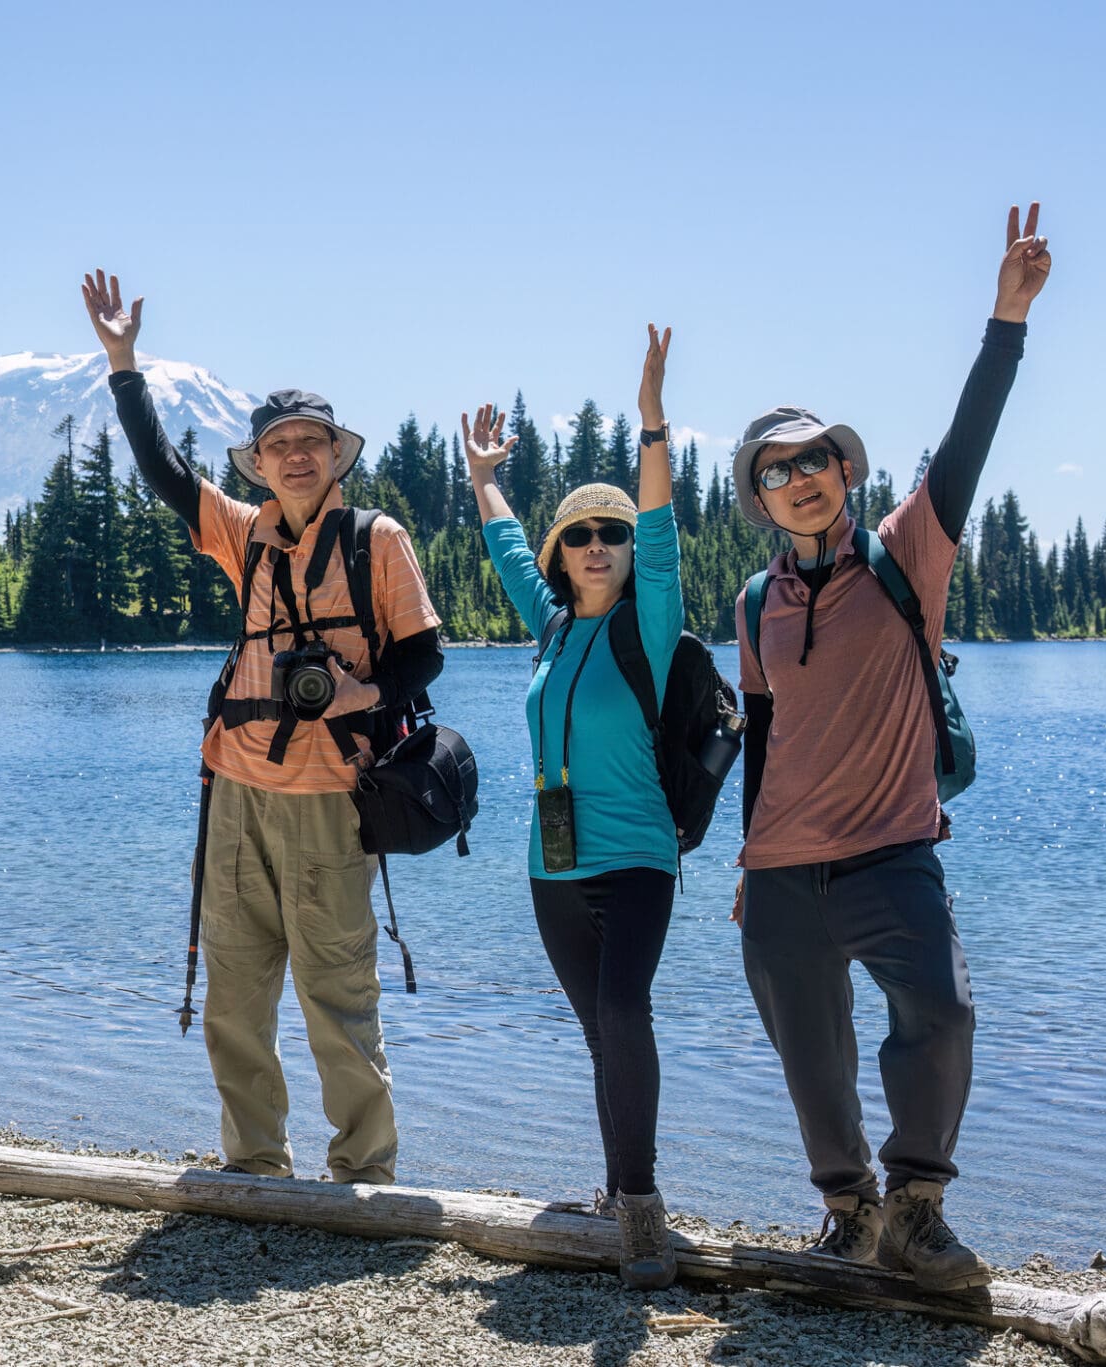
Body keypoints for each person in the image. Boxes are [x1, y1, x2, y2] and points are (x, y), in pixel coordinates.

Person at [730, 204, 1053, 1291]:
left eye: (816, 457)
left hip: (891, 849)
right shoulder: (751, 602)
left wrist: (1003, 320)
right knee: (807, 1054)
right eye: (778, 469)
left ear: (844, 469)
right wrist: (743, 863)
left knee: (943, 1009)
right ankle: (847, 1209)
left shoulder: (907, 552)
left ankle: (917, 1203)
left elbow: (967, 443)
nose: (802, 475)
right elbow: (763, 733)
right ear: (761, 499)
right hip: (778, 871)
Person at [81, 269, 444, 1186]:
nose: (295, 456)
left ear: (335, 455)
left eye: (311, 443)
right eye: (278, 444)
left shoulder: (377, 539)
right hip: (235, 791)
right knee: (236, 996)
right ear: (260, 460)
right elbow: (164, 470)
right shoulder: (242, 533)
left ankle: (366, 1174)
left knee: (338, 994)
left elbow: (425, 659)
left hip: (332, 798)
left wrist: (363, 695)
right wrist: (123, 364)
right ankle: (254, 1163)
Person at [463, 324, 685, 1289]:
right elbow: (509, 550)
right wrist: (483, 479)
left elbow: (666, 535)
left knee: (624, 1009)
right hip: (549, 865)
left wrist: (651, 425)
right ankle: (615, 1180)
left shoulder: (655, 623)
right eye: (582, 535)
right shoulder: (550, 627)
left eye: (615, 534)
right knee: (600, 1029)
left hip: (636, 856)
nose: (599, 545)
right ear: (566, 553)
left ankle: (640, 1211)